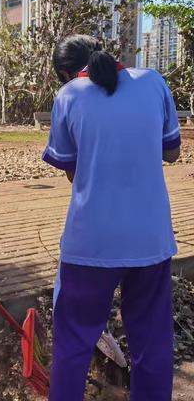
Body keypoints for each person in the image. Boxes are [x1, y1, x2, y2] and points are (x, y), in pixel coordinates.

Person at [44, 35, 180, 401]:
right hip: (149, 239)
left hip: (91, 243)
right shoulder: (153, 82)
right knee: (152, 341)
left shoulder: (69, 95)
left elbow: (71, 170)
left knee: (73, 344)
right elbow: (172, 153)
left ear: (65, 73)